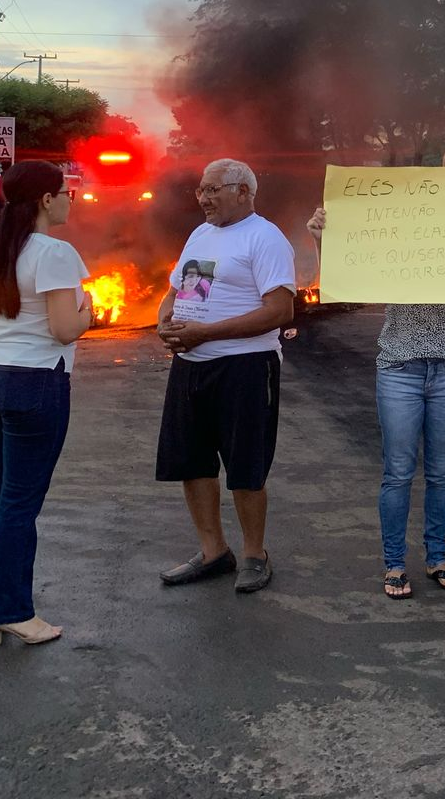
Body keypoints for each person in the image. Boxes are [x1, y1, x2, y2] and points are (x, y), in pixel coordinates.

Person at [306, 203, 445, 599]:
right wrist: (322, 239)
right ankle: (394, 563)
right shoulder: (396, 238)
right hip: (399, 369)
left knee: (441, 473)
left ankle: (437, 557)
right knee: (398, 472)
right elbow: (346, 279)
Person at [0, 161, 92, 647]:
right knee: (19, 502)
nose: (69, 199)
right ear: (45, 199)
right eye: (66, 192)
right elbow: (63, 329)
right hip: (33, 382)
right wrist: (89, 313)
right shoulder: (54, 253)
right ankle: (12, 610)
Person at [155, 158, 297, 595]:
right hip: (191, 366)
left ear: (243, 191)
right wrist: (165, 320)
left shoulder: (265, 238)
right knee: (192, 462)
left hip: (245, 368)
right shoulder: (202, 235)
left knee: (246, 465)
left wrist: (206, 333)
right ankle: (214, 551)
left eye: (213, 189)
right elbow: (183, 288)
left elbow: (280, 311)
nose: (203, 198)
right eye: (201, 189)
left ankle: (255, 554)